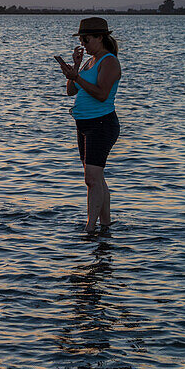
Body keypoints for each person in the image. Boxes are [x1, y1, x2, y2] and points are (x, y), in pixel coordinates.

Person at [55, 17, 121, 232]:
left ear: (100, 38)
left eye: (86, 39)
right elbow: (71, 91)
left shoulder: (109, 61)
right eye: (81, 39)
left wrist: (78, 77)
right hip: (84, 124)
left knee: (91, 178)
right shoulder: (88, 61)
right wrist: (74, 69)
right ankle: (105, 224)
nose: (83, 43)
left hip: (101, 123)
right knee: (96, 178)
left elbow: (102, 94)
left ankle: (90, 229)